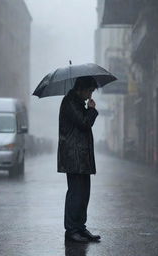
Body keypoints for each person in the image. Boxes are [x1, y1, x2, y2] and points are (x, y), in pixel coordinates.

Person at [57, 76, 100, 243]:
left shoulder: (78, 103)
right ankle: (72, 230)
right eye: (89, 90)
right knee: (76, 193)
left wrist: (88, 109)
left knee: (84, 194)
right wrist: (91, 110)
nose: (90, 94)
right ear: (81, 88)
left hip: (81, 156)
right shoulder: (69, 102)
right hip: (73, 156)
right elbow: (84, 123)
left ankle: (80, 227)